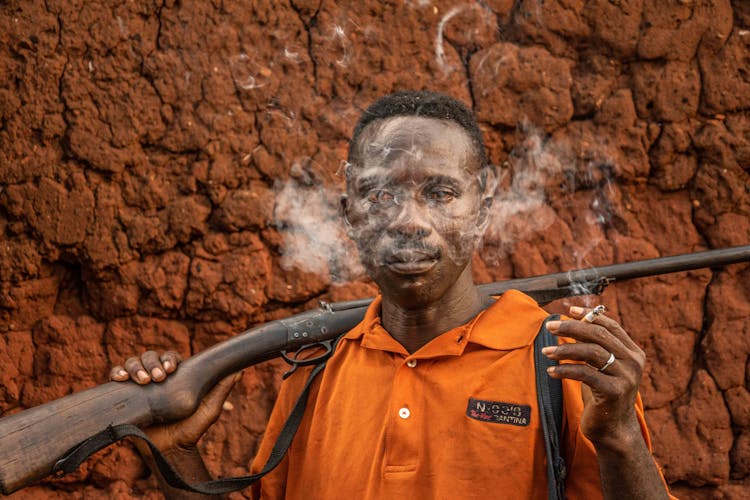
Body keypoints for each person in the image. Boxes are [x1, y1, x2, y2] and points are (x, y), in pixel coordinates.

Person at [112, 91, 673, 499]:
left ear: (483, 209)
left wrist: (621, 436)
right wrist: (173, 451)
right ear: (348, 213)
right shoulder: (316, 371)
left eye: (441, 192)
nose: (408, 221)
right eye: (380, 195)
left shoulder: (558, 362)